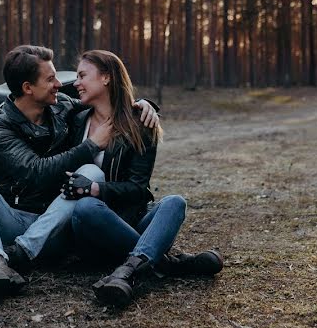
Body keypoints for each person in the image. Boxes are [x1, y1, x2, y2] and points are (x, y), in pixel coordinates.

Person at [0, 45, 159, 301]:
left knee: (89, 172)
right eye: (50, 79)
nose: (59, 84)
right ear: (28, 88)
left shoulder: (62, 106)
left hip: (58, 226)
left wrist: (142, 106)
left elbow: (107, 103)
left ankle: (20, 254)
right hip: (16, 219)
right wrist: (92, 145)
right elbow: (36, 172)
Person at [63, 50, 223, 307]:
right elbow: (51, 94)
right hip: (92, 230)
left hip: (131, 219)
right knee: (86, 207)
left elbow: (137, 189)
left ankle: (126, 272)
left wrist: (94, 188)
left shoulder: (140, 124)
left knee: (174, 202)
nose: (76, 82)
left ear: (105, 78)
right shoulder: (74, 118)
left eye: (82, 75)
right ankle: (167, 263)